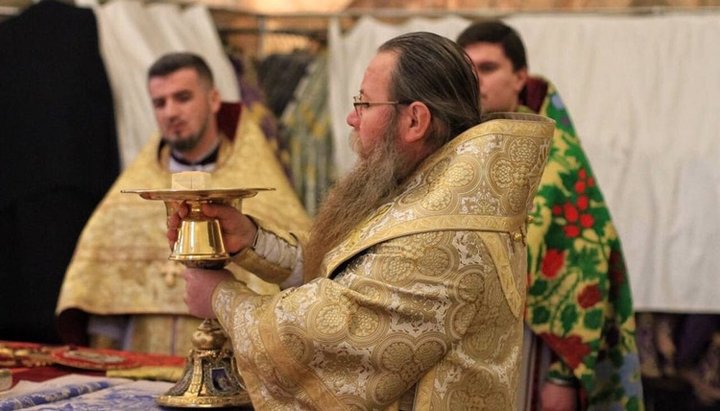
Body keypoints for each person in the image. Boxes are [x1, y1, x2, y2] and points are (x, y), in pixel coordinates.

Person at [167, 32, 555, 410]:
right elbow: (349, 270)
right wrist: (251, 242)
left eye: (365, 103)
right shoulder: (425, 191)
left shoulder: (443, 234)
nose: (352, 118)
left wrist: (220, 296)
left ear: (415, 120)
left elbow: (322, 334)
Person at [55, 52, 311, 355]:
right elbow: (100, 294)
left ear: (214, 100)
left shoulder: (258, 179)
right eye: (160, 103)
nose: (171, 112)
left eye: (183, 97)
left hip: (234, 358)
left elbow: (303, 278)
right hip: (143, 360)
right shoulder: (131, 193)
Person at [457, 20, 643, 410]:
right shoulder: (451, 145)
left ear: (520, 76)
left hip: (529, 346)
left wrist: (560, 374)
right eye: (467, 70)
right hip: (457, 341)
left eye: (488, 68)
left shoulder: (553, 156)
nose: (477, 82)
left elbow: (582, 264)